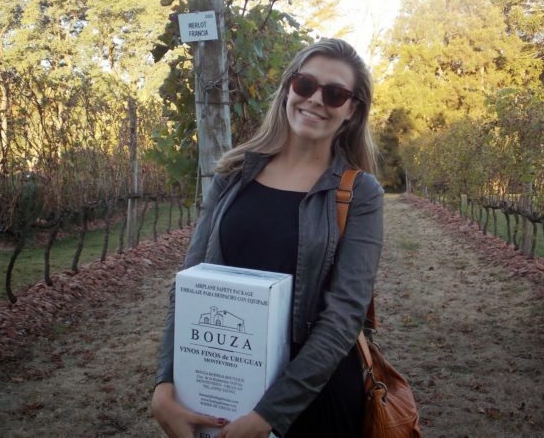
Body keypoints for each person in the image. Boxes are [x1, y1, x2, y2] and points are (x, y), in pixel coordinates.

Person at [151, 38, 384, 438]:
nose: (315, 100)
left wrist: (269, 415)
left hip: (314, 402)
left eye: (334, 93)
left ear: (351, 110)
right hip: (222, 390)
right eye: (305, 85)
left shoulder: (360, 193)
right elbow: (190, 284)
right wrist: (164, 383)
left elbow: (344, 317)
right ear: (289, 88)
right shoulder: (233, 174)